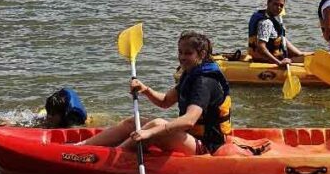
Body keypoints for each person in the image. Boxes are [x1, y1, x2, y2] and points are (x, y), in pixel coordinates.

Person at [78, 31, 237, 156]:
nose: (182, 57)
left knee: (156, 124)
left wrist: (150, 132)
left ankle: (114, 155)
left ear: (201, 54)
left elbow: (189, 120)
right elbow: (165, 101)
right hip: (190, 137)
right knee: (134, 122)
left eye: (188, 53)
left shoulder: (204, 82)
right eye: (180, 52)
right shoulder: (191, 74)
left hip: (206, 146)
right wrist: (145, 90)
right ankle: (80, 147)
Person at [248, 0, 305, 65]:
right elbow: (261, 47)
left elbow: (281, 38)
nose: (278, 8)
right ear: (268, 3)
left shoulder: (271, 18)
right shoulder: (266, 23)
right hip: (266, 61)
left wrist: (299, 54)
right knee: (305, 60)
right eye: (275, 4)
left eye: (281, 5)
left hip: (272, 58)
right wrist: (279, 63)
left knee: (305, 56)